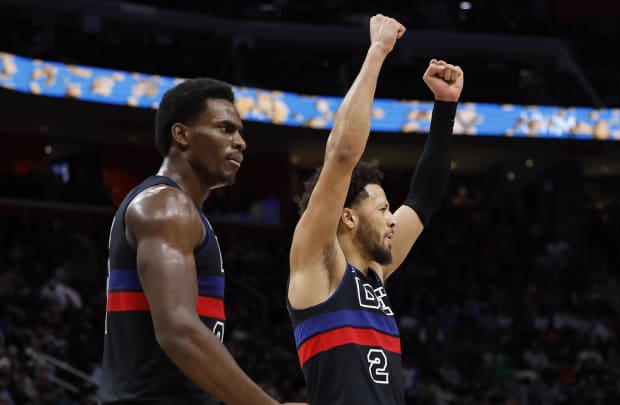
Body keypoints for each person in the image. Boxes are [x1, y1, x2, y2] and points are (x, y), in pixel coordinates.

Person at [287, 14, 464, 405]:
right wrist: (377, 52)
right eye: (382, 209)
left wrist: (445, 107)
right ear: (347, 216)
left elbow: (423, 198)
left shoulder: (374, 272)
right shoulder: (318, 261)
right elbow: (342, 154)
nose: (391, 218)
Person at [99, 77, 304, 405]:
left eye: (239, 132)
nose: (240, 142)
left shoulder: (179, 210)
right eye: (225, 129)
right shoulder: (167, 206)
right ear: (181, 135)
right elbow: (178, 331)